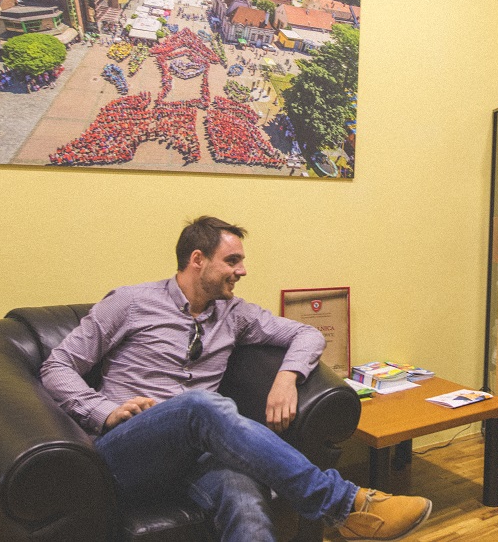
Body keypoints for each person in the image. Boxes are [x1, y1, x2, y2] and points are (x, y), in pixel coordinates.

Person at [41, 216, 432, 542]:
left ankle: (348, 510)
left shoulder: (234, 313)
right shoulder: (129, 303)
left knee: (246, 501)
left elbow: (307, 334)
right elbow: (56, 366)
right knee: (198, 406)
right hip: (128, 448)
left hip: (196, 458)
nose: (242, 271)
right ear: (197, 259)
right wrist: (105, 411)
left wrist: (287, 377)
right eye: (232, 261)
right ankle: (343, 505)